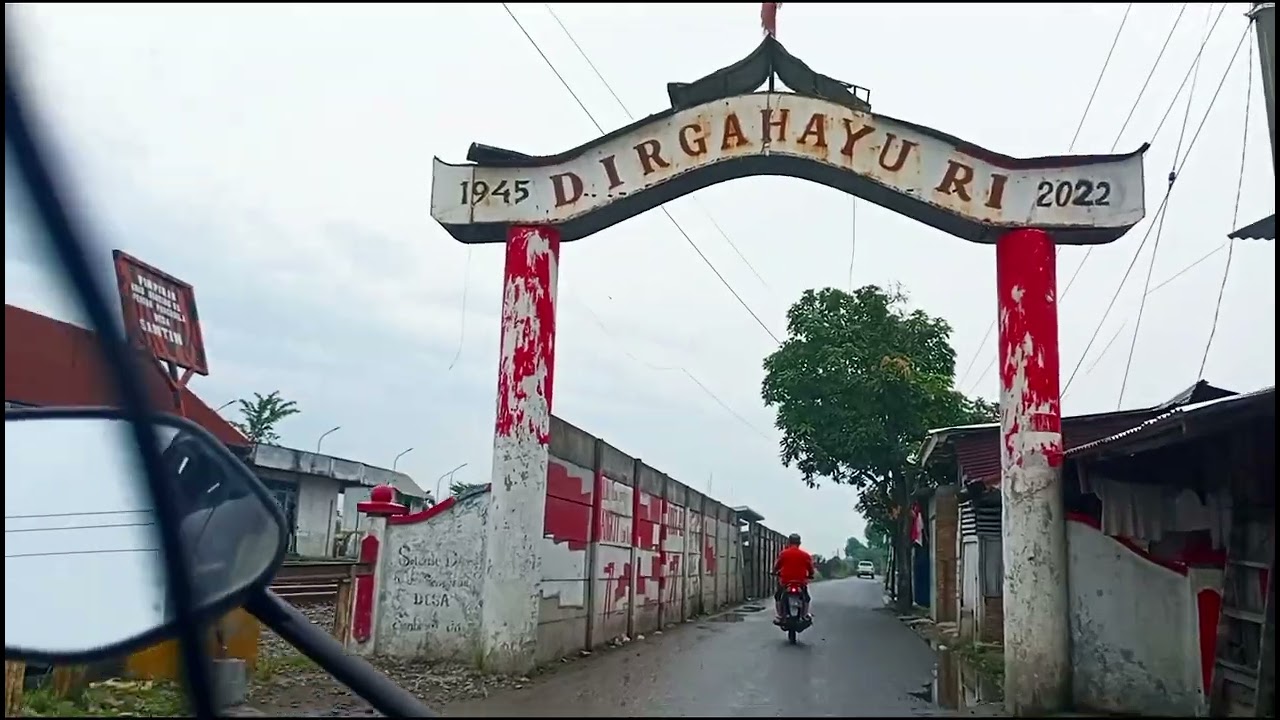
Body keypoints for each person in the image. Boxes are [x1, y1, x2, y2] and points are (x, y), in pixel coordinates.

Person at [772, 532, 814, 623]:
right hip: (801, 582)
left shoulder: (784, 553)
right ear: (799, 543)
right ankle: (804, 615)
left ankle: (780, 615)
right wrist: (811, 574)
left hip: (786, 581)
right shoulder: (805, 555)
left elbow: (777, 566)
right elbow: (810, 568)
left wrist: (774, 572)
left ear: (789, 542)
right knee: (806, 598)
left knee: (778, 596)